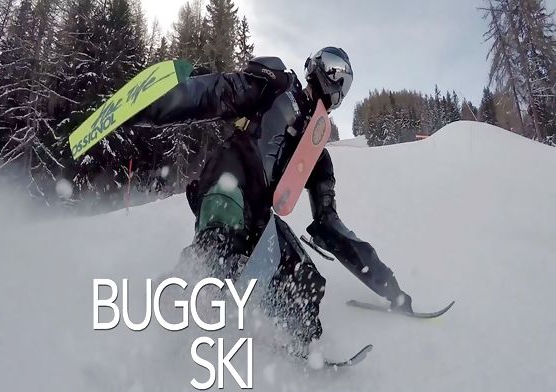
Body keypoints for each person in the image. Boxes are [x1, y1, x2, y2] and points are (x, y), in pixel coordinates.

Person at [143, 47, 412, 350]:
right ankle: (180, 294)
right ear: (315, 65)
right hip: (228, 179)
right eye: (333, 68)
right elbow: (214, 93)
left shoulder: (317, 156)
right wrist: (157, 104)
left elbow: (330, 225)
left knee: (305, 281)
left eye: (343, 78)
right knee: (221, 239)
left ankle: (296, 347)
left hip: (259, 214)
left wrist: (389, 287)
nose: (335, 81)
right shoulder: (276, 85)